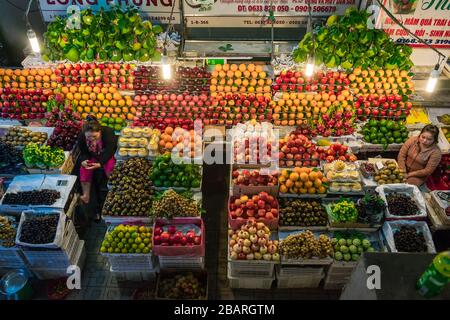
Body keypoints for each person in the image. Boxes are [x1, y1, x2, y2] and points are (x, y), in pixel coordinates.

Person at [78, 115, 117, 219]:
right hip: (93, 156)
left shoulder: (108, 132)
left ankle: (115, 189)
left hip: (106, 156)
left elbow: (110, 149)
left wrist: (100, 163)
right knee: (84, 168)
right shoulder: (82, 136)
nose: (91, 139)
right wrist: (83, 161)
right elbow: (84, 152)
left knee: (110, 167)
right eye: (88, 137)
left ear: (100, 131)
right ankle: (86, 195)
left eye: (95, 137)